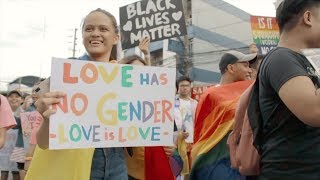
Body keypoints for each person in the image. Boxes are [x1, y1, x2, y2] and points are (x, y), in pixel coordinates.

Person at [25, 8, 127, 180]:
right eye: (89, 29)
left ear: (116, 37)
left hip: (118, 166)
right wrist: (47, 119)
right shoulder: (63, 76)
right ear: (82, 36)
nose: (95, 33)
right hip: (78, 168)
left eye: (103, 29)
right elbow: (43, 143)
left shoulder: (127, 79)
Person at [252, 0, 320, 179]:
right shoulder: (281, 58)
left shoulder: (305, 60)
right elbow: (315, 111)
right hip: (292, 173)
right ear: (308, 17)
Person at [190, 50, 256, 179]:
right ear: (231, 68)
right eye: (245, 65)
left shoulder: (251, 91)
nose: (249, 70)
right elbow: (202, 133)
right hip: (218, 160)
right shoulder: (211, 95)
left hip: (247, 159)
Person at [121, 53, 176, 180]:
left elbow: (167, 134)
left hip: (153, 167)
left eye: (143, 71)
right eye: (133, 71)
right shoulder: (113, 101)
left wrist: (169, 148)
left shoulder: (157, 103)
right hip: (125, 170)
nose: (139, 75)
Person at [174, 76, 198, 179]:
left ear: (190, 87)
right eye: (182, 85)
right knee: (179, 169)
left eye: (187, 85)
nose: (184, 88)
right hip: (177, 141)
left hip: (193, 140)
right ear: (178, 87)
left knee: (192, 169)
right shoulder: (172, 102)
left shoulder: (195, 103)